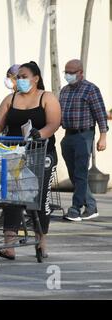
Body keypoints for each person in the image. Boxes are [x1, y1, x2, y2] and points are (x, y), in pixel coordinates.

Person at [0, 61, 61, 259]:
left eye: (24, 76)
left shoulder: (46, 98)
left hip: (41, 153)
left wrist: (38, 134)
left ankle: (41, 241)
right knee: (12, 196)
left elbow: (54, 123)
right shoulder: (11, 98)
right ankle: (9, 245)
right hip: (15, 154)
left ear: (36, 78)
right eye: (18, 77)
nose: (20, 80)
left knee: (39, 199)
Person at [60, 59, 109, 222]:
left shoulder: (91, 89)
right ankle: (91, 206)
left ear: (80, 72)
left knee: (80, 172)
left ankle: (75, 208)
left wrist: (103, 137)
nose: (68, 75)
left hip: (84, 135)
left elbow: (100, 115)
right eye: (66, 72)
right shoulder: (64, 91)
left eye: (71, 72)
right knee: (75, 174)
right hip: (68, 135)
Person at [0, 64, 21, 227]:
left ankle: (24, 216)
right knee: (7, 181)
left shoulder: (33, 98)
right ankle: (6, 215)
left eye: (11, 76)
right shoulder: (10, 99)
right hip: (11, 142)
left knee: (20, 182)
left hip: (25, 145)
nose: (8, 80)